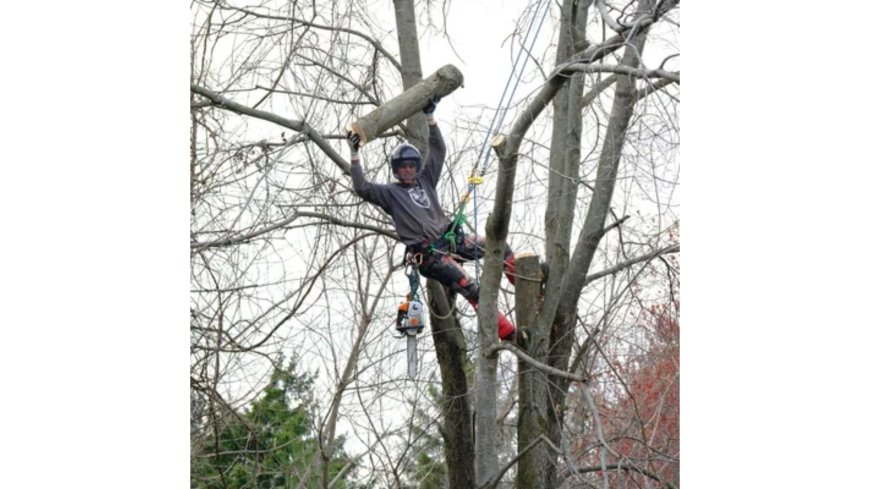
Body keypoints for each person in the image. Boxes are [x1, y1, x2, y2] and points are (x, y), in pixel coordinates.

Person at [347, 97, 519, 342]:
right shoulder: (390, 194)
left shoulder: (426, 181)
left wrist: (430, 118)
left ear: (416, 166)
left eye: (411, 165)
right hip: (430, 254)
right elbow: (362, 187)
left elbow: (438, 151)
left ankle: (528, 289)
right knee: (470, 287)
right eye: (402, 167)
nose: (407, 170)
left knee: (498, 246)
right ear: (396, 169)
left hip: (451, 239)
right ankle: (508, 334)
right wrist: (354, 155)